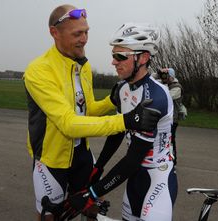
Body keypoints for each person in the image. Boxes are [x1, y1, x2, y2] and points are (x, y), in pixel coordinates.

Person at [23, 5, 161, 221]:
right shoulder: (39, 71)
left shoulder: (82, 65)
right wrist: (126, 120)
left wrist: (111, 101)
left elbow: (86, 110)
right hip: (52, 159)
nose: (84, 39)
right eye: (77, 33)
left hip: (81, 154)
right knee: (51, 216)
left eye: (86, 31)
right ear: (54, 33)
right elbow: (68, 123)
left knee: (91, 207)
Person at [64, 23, 178, 221]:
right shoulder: (122, 89)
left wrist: (91, 194)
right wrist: (98, 167)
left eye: (121, 56)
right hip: (134, 179)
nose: (114, 62)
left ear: (143, 58)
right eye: (113, 55)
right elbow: (118, 131)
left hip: (158, 177)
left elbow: (133, 158)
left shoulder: (156, 97)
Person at [156, 68, 187, 165]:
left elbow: (165, 98)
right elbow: (150, 79)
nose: (164, 77)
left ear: (171, 76)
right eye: (164, 75)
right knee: (160, 139)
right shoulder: (165, 83)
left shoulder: (177, 87)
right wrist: (158, 74)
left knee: (170, 140)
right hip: (164, 118)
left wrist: (162, 83)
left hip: (173, 119)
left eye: (166, 75)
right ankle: (162, 158)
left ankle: (173, 160)